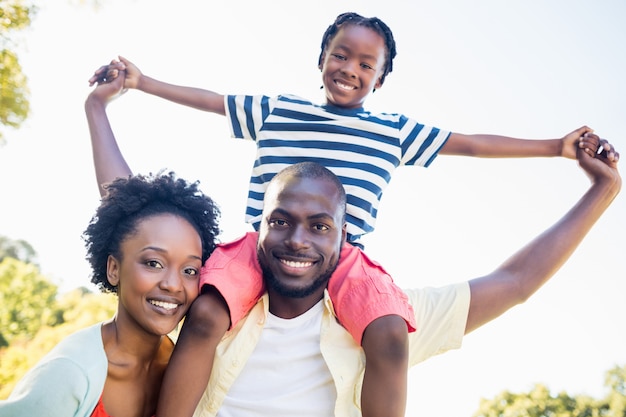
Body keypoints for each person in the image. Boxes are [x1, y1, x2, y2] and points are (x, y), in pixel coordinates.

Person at [88, 11, 604, 416]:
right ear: (321, 60)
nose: (350, 70)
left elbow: (470, 144)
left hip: (346, 259)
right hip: (254, 247)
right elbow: (213, 100)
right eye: (341, 55)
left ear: (380, 81)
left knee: (387, 333)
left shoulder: (393, 131)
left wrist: (555, 147)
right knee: (204, 316)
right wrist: (142, 82)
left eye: (365, 65)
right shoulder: (279, 111)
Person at [0, 170, 221, 415]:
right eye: (153, 263)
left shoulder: (181, 366)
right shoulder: (69, 373)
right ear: (114, 269)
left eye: (190, 270)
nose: (173, 284)